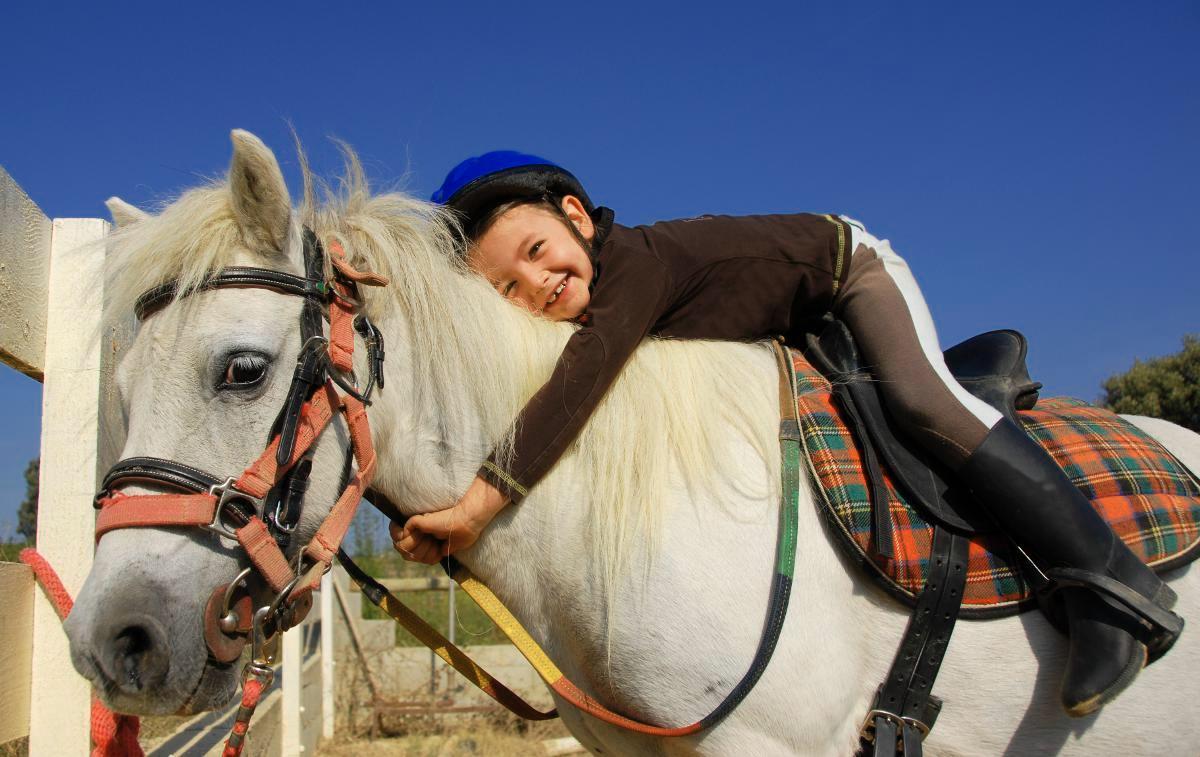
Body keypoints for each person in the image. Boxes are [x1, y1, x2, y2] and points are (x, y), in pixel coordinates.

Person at [390, 150, 1181, 715]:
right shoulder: (606, 290)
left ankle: (1113, 590)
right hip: (792, 323)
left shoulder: (635, 268)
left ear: (575, 216)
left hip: (850, 272)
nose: (539, 283)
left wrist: (472, 510)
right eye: (510, 289)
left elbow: (576, 387)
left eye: (536, 251)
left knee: (923, 403)